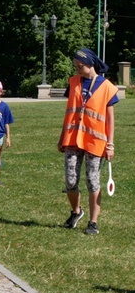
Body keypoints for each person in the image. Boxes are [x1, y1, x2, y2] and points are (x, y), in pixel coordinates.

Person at [58, 48, 118, 235]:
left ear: (91, 64)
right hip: (72, 140)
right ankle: (76, 212)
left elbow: (110, 119)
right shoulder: (73, 82)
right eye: (75, 66)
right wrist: (62, 137)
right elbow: (69, 112)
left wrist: (110, 144)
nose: (77, 69)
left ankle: (93, 222)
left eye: (80, 66)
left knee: (93, 181)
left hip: (95, 141)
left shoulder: (106, 86)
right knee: (70, 181)